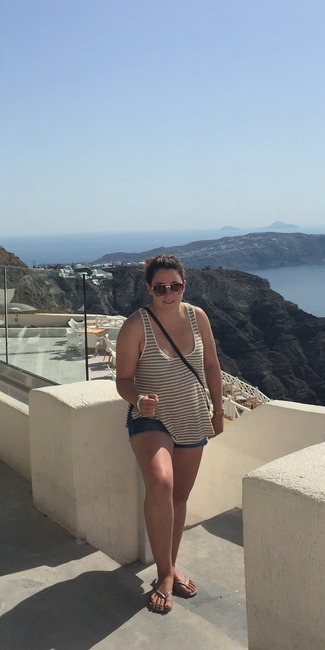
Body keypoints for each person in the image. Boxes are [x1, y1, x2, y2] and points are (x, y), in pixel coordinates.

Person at [113, 254, 225, 615]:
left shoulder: (197, 317)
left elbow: (211, 364)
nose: (168, 293)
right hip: (151, 417)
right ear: (149, 289)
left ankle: (171, 564)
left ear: (184, 285)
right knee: (161, 483)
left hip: (192, 414)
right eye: (160, 287)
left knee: (179, 495)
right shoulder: (136, 325)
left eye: (174, 285)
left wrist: (218, 411)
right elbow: (123, 381)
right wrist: (139, 399)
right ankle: (163, 574)